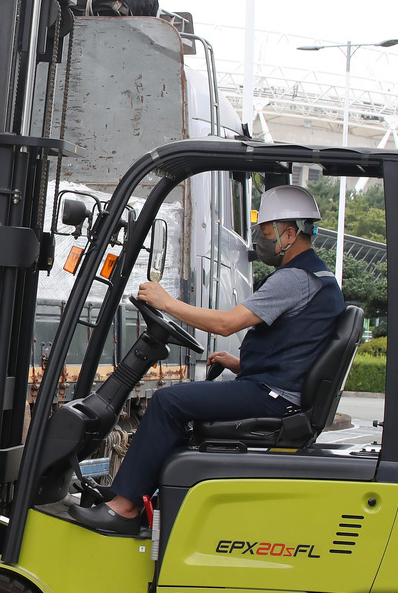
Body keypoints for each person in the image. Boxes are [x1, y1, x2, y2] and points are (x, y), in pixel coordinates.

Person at [69, 184, 345, 533]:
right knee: (181, 404)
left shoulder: (294, 279)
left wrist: (167, 303)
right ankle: (133, 494)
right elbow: (302, 348)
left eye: (265, 233)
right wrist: (240, 364)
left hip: (274, 396)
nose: (260, 242)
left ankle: (123, 510)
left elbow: (227, 323)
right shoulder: (320, 277)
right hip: (279, 390)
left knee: (168, 402)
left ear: (289, 234)